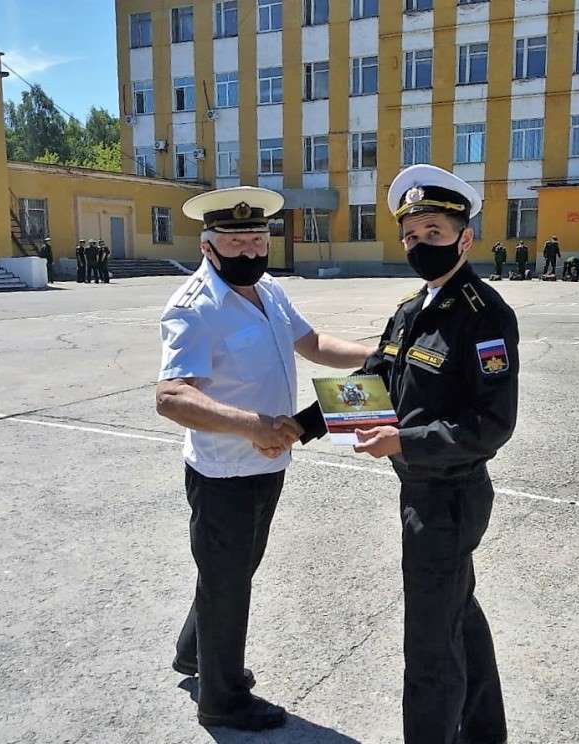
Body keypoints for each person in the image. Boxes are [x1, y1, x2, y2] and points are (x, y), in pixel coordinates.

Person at [298, 165, 516, 744]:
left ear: (464, 239)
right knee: (457, 617)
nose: (422, 245)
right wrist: (301, 427)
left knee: (428, 642)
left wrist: (405, 442)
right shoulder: (410, 309)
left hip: (449, 496)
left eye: (435, 233)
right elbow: (373, 380)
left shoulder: (484, 314)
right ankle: (485, 732)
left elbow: (492, 424)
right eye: (413, 236)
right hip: (419, 490)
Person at [155, 186, 373, 731]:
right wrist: (249, 425)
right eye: (236, 243)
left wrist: (380, 353)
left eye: (258, 240)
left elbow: (315, 343)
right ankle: (223, 700)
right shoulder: (194, 308)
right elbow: (171, 397)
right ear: (209, 248)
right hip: (225, 471)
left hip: (271, 461)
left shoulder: (268, 288)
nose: (251, 252)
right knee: (229, 580)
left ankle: (194, 654)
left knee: (230, 570)